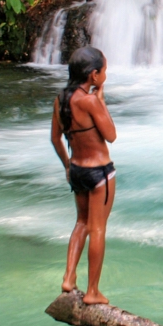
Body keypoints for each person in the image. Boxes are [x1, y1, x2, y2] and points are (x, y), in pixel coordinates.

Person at [50, 46, 117, 305]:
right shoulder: (89, 101)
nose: (106, 76)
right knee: (98, 228)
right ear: (94, 75)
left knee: (81, 223)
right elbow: (110, 135)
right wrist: (100, 100)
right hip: (99, 173)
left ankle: (68, 278)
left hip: (77, 170)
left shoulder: (61, 100)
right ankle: (92, 292)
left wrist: (67, 165)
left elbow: (55, 138)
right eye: (104, 72)